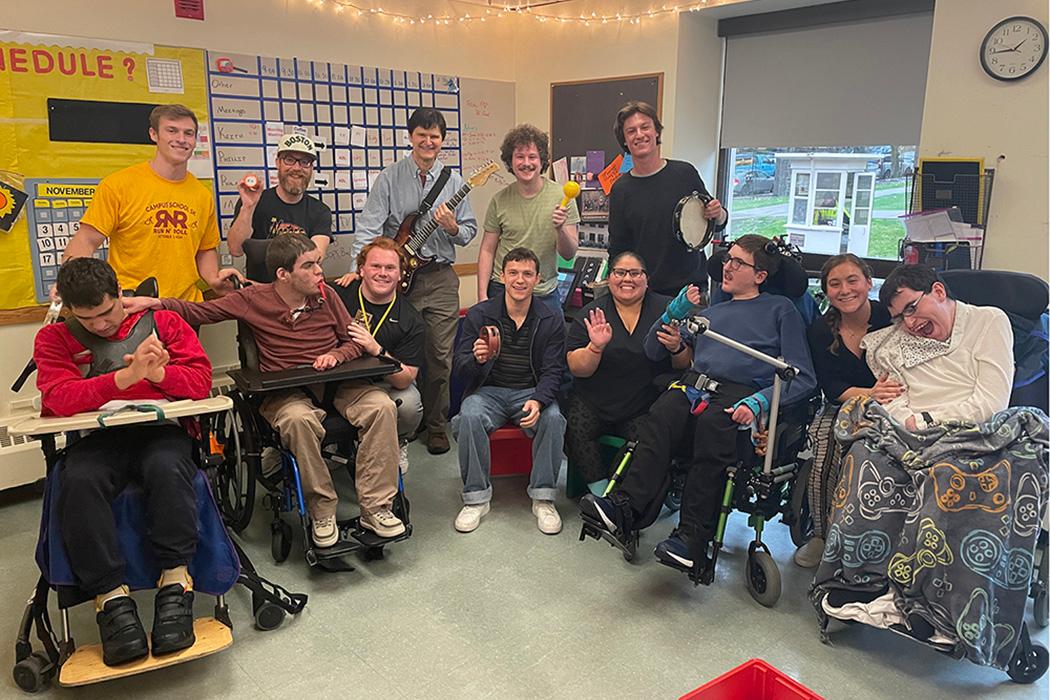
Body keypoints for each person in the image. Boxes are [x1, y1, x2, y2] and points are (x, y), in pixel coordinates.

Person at [126, 234, 405, 547]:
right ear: (283, 274)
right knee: (299, 420)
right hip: (284, 390)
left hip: (337, 381)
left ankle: (377, 508)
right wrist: (157, 303)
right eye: (309, 266)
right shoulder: (252, 299)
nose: (318, 273)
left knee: (382, 406)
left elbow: (354, 341)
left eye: (319, 264)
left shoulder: (327, 296)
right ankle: (322, 511)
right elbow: (198, 313)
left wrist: (337, 356)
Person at [580, 234, 816, 574]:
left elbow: (801, 377)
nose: (727, 266)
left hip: (741, 393)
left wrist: (760, 402)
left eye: (738, 262)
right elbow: (652, 350)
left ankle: (692, 537)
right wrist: (671, 322)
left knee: (714, 428)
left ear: (760, 275)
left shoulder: (781, 311)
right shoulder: (711, 312)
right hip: (694, 387)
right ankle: (624, 509)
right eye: (727, 259)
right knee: (660, 418)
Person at [34, 257, 212, 666]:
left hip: (161, 430)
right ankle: (110, 597)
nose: (100, 326)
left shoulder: (162, 323)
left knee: (166, 468)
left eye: (107, 312)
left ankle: (175, 581)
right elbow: (57, 398)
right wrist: (122, 380)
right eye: (88, 318)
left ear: (121, 296)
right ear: (71, 310)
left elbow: (200, 382)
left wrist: (159, 375)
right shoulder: (54, 338)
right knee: (76, 479)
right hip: (99, 438)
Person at [339, 107, 478, 456]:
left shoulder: (456, 182)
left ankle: (435, 425)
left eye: (435, 136)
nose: (428, 141)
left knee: (440, 356)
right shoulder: (389, 177)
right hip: (398, 280)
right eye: (422, 134)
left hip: (441, 278)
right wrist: (361, 267)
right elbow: (371, 224)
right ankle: (400, 420)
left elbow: (469, 232)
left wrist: (451, 227)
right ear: (411, 136)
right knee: (399, 350)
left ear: (442, 141)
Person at [61, 104, 239, 301]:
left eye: (189, 133)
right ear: (154, 134)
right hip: (132, 303)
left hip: (184, 308)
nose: (181, 139)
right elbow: (86, 240)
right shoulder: (118, 185)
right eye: (172, 131)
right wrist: (69, 281)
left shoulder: (202, 195)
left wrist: (214, 279)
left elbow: (205, 250)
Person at [451, 248, 567, 535]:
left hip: (530, 390)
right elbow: (459, 367)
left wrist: (539, 401)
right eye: (513, 273)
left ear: (537, 279)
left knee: (553, 418)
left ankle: (543, 498)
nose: (520, 280)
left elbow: (554, 371)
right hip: (488, 391)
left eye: (527, 274)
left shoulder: (551, 318)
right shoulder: (480, 314)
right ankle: (476, 499)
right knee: (469, 414)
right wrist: (476, 360)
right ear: (502, 276)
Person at [792, 254, 895, 569]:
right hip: (843, 403)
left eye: (852, 280)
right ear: (826, 291)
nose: (845, 290)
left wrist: (880, 396)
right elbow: (831, 386)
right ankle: (822, 535)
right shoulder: (820, 330)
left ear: (868, 282)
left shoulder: (890, 318)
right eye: (834, 284)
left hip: (894, 404)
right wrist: (869, 393)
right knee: (824, 447)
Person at [565, 251, 683, 496]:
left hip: (643, 403)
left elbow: (685, 364)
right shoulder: (592, 313)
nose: (627, 279)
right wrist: (595, 347)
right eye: (619, 272)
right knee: (575, 428)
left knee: (647, 442)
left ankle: (619, 494)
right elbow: (577, 368)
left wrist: (677, 347)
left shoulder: (668, 311)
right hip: (594, 399)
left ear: (646, 279)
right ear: (609, 279)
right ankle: (600, 494)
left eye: (635, 273)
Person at [863, 263, 1014, 428]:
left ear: (939, 292)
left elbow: (991, 405)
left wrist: (925, 421)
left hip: (970, 431)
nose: (909, 323)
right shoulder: (893, 343)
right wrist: (909, 424)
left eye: (911, 308)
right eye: (900, 317)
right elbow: (892, 401)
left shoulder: (988, 320)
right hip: (907, 435)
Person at [607, 101, 727, 297]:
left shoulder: (684, 173)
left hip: (691, 291)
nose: (639, 135)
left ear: (656, 132)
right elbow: (618, 248)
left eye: (645, 127)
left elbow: (715, 222)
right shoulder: (621, 190)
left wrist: (719, 213)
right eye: (631, 131)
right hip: (644, 293)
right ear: (625, 141)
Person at [333, 237, 426, 472]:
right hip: (338, 381)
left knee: (409, 403)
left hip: (384, 384)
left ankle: (399, 441)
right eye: (375, 266)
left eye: (390, 268)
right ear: (361, 269)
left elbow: (406, 378)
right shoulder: (339, 294)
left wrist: (376, 350)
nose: (382, 273)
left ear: (400, 275)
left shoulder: (411, 319)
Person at [477, 124, 579, 313]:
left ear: (542, 161)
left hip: (544, 291)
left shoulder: (562, 197)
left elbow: (569, 253)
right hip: (502, 289)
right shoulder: (499, 200)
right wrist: (482, 295)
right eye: (519, 157)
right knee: (498, 343)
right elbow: (487, 250)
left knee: (550, 342)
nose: (526, 163)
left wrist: (560, 229)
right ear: (511, 161)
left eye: (532, 157)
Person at [226, 133, 334, 281]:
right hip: (261, 294)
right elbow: (236, 249)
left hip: (302, 294)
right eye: (289, 160)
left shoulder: (320, 211)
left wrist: (257, 249)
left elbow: (316, 257)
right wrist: (248, 207)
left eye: (305, 162)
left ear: (311, 168)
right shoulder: (254, 202)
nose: (297, 168)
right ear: (278, 163)